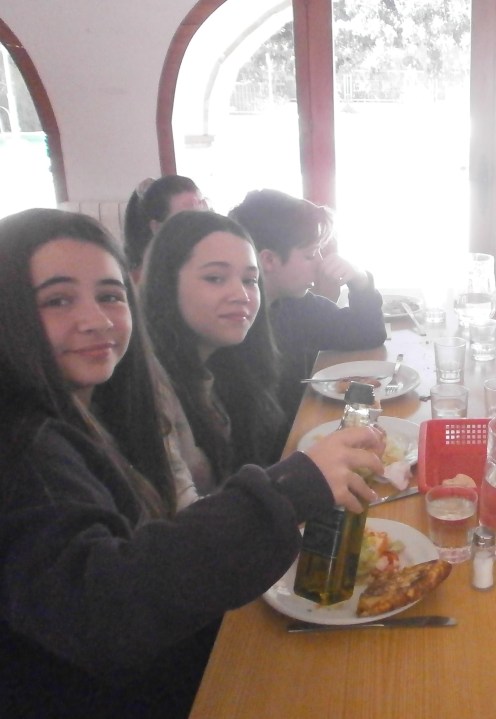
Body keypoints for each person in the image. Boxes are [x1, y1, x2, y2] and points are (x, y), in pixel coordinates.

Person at [0, 208, 382, 718]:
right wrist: (287, 490)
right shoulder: (27, 449)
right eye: (57, 300)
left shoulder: (107, 397)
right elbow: (102, 613)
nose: (96, 320)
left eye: (110, 296)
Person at [141, 210, 287, 492]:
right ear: (167, 284)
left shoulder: (227, 360)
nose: (241, 295)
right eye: (215, 278)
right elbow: (182, 510)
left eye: (250, 280)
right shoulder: (151, 384)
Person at [228, 189, 387, 425]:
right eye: (311, 254)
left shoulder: (296, 306)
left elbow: (367, 334)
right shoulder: (235, 327)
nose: (321, 263)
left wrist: (360, 280)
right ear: (268, 260)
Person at [123, 175, 207, 281]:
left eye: (204, 217)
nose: (200, 228)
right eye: (187, 220)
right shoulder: (144, 281)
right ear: (157, 228)